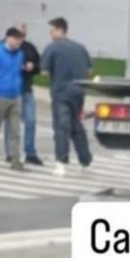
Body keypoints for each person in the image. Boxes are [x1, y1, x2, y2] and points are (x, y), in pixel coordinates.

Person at [40, 17, 93, 176]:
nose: (50, 34)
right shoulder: (80, 48)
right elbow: (89, 71)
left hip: (61, 92)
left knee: (61, 127)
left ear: (59, 30)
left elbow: (44, 71)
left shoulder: (52, 48)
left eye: (51, 30)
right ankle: (85, 161)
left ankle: (61, 163)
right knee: (76, 126)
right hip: (78, 92)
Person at [0, 27, 26, 170]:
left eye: (20, 41)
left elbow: (18, 73)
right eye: (16, 40)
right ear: (9, 38)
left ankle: (15, 160)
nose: (18, 43)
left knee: (15, 130)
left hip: (15, 96)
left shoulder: (20, 54)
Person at [3, 21, 43, 165]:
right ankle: (10, 153)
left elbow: (39, 65)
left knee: (31, 121)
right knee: (11, 123)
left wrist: (32, 67)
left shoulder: (30, 48)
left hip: (26, 89)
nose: (21, 37)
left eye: (23, 34)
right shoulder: (3, 47)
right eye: (19, 34)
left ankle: (30, 153)